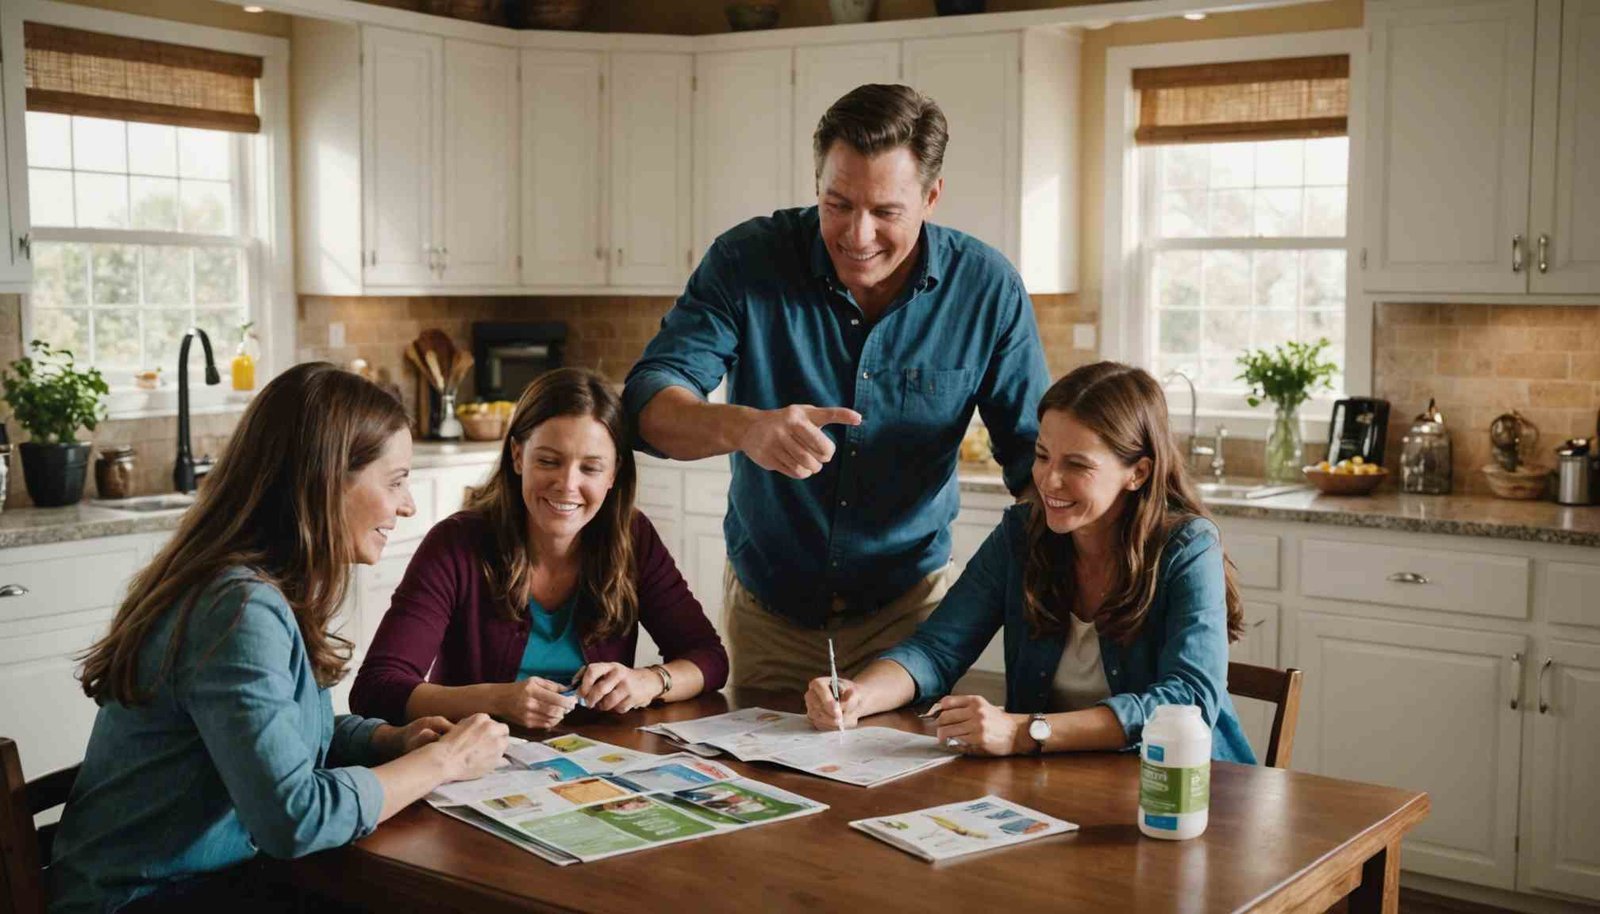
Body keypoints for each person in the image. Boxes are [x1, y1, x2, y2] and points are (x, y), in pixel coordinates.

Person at [623, 83, 1050, 692]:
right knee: (756, 787)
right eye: (838, 203)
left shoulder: (987, 289)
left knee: (899, 788)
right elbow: (646, 404)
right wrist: (746, 427)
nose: (857, 234)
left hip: (909, 620)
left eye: (886, 212)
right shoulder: (748, 260)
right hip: (769, 611)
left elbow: (1036, 464)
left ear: (931, 197)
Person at [49, 363, 510, 914]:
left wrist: (388, 741)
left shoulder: (258, 590)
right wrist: (445, 763)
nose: (406, 505)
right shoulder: (236, 609)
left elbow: (281, 740)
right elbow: (294, 818)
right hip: (143, 900)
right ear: (325, 479)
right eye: (395, 481)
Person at [803, 362, 1256, 764]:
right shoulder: (1021, 533)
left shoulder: (1188, 546)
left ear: (1138, 472)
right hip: (1057, 786)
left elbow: (1186, 700)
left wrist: (1025, 731)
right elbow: (936, 650)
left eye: (1077, 464)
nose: (1049, 480)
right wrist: (860, 695)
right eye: (1042, 456)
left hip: (1185, 789)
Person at [351, 368, 727, 729]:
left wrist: (649, 681)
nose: (567, 484)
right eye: (549, 461)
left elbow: (708, 658)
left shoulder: (633, 537)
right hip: (476, 763)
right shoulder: (456, 544)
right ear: (518, 456)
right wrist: (496, 700)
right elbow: (376, 689)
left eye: (591, 468)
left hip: (600, 761)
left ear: (614, 473)